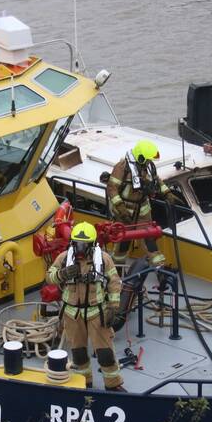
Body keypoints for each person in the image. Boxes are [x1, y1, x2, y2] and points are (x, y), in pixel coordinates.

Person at [47, 222, 124, 390]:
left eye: (84, 244)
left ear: (93, 244)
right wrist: (62, 274)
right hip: (72, 315)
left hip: (97, 313)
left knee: (105, 353)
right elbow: (49, 277)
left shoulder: (103, 259)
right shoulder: (64, 258)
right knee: (78, 353)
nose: (80, 248)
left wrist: (113, 307)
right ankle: (84, 383)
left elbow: (114, 283)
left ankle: (113, 384)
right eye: (77, 243)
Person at [105, 138, 179, 269]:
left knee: (149, 239)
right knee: (123, 243)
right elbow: (112, 188)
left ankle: (160, 268)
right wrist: (121, 208)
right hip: (125, 212)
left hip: (143, 210)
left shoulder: (149, 166)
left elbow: (157, 181)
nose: (150, 162)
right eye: (148, 159)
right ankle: (117, 269)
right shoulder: (122, 167)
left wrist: (167, 193)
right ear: (140, 157)